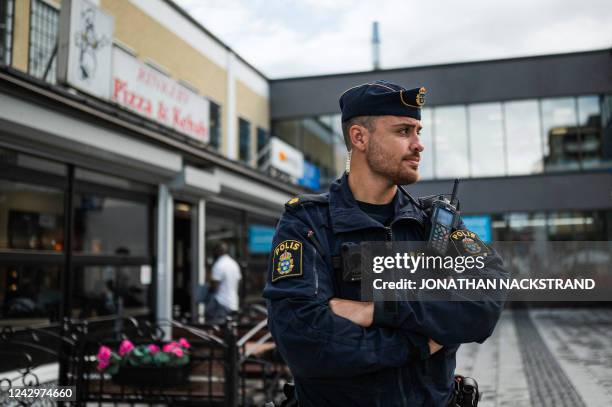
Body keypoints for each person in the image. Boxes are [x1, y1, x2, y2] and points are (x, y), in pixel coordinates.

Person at [263, 80, 509, 406]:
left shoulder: (436, 223)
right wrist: (419, 343)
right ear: (359, 138)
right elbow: (305, 341)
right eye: (404, 131)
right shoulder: (307, 223)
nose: (419, 144)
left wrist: (376, 310)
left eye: (418, 131)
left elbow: (485, 300)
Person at [205, 242, 242, 323]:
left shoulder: (219, 265)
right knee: (229, 329)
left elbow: (214, 286)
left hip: (221, 302)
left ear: (218, 251)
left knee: (216, 329)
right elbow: (238, 282)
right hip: (233, 302)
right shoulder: (234, 264)